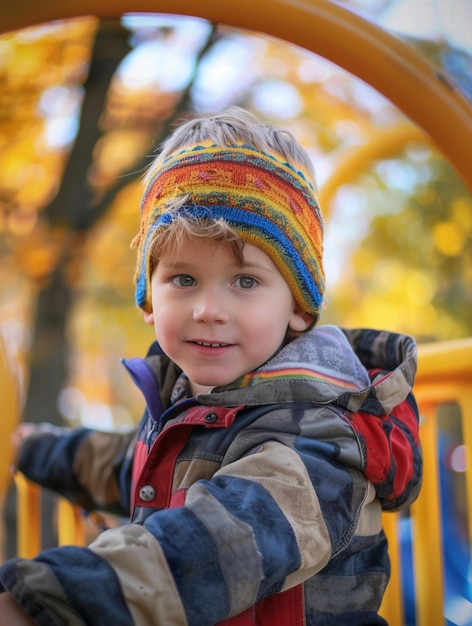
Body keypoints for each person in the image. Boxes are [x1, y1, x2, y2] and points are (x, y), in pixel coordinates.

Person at [0, 107, 422, 625]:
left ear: (298, 306)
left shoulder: (320, 435)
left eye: (244, 281)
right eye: (183, 279)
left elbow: (214, 549)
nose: (208, 309)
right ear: (148, 299)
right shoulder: (191, 404)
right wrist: (31, 447)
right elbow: (130, 467)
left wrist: (43, 603)